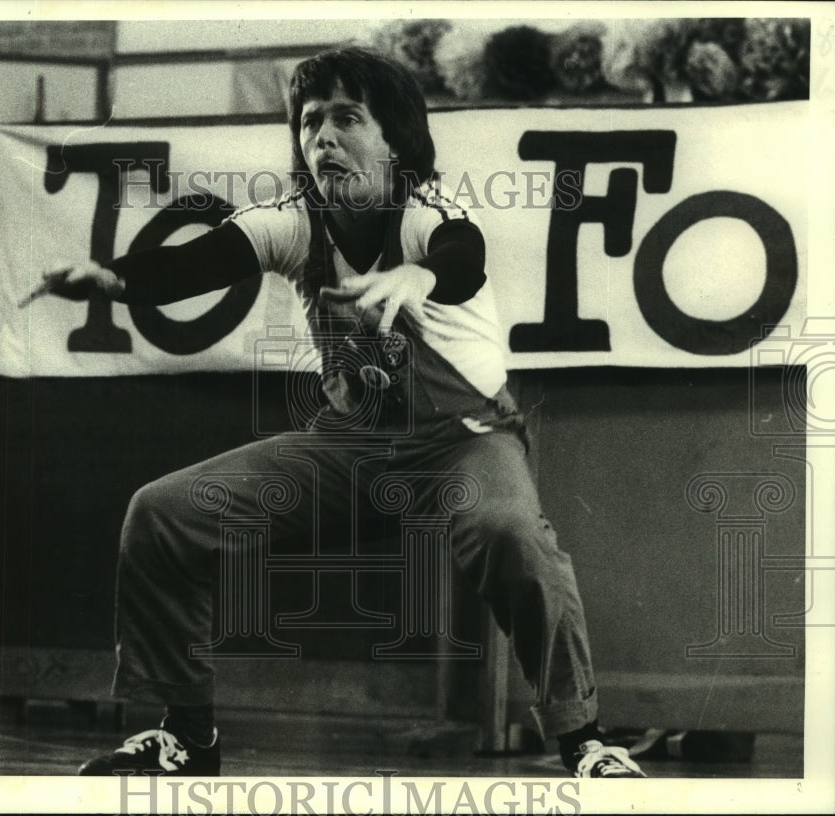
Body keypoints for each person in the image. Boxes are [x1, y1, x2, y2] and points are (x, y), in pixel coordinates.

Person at [48, 47, 645, 779]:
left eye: (347, 118)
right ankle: (188, 735)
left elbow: (464, 256)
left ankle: (585, 740)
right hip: (352, 447)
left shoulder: (428, 212)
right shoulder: (293, 222)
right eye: (309, 122)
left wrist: (415, 273)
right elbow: (200, 263)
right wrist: (115, 279)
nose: (322, 137)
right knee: (161, 512)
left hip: (462, 442)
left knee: (510, 530)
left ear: (393, 139)